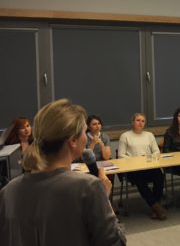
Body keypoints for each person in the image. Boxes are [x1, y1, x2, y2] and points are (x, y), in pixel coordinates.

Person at [0, 99, 126, 246]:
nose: (86, 137)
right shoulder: (88, 188)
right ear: (73, 141)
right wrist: (105, 199)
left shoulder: (8, 191)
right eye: (84, 132)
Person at [118, 113, 167, 220]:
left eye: (143, 121)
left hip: (148, 166)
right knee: (140, 180)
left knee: (159, 175)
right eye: (138, 120)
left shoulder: (149, 135)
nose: (140, 123)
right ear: (132, 122)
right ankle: (157, 207)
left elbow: (156, 151)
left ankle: (155, 207)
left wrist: (148, 157)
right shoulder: (125, 136)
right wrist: (136, 160)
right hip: (133, 169)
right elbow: (120, 155)